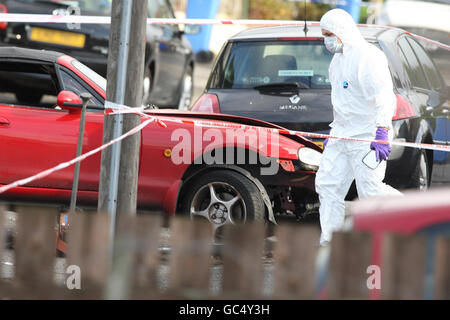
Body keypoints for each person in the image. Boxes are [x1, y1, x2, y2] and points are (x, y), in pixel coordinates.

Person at [316, 8, 402, 246]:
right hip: (342, 135)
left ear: (342, 32)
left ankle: (408, 210)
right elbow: (342, 103)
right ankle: (329, 242)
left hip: (368, 135)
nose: (326, 41)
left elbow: (383, 97)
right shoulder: (337, 61)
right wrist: (334, 132)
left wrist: (382, 131)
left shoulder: (368, 58)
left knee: (370, 190)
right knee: (327, 186)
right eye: (324, 35)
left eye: (329, 34)